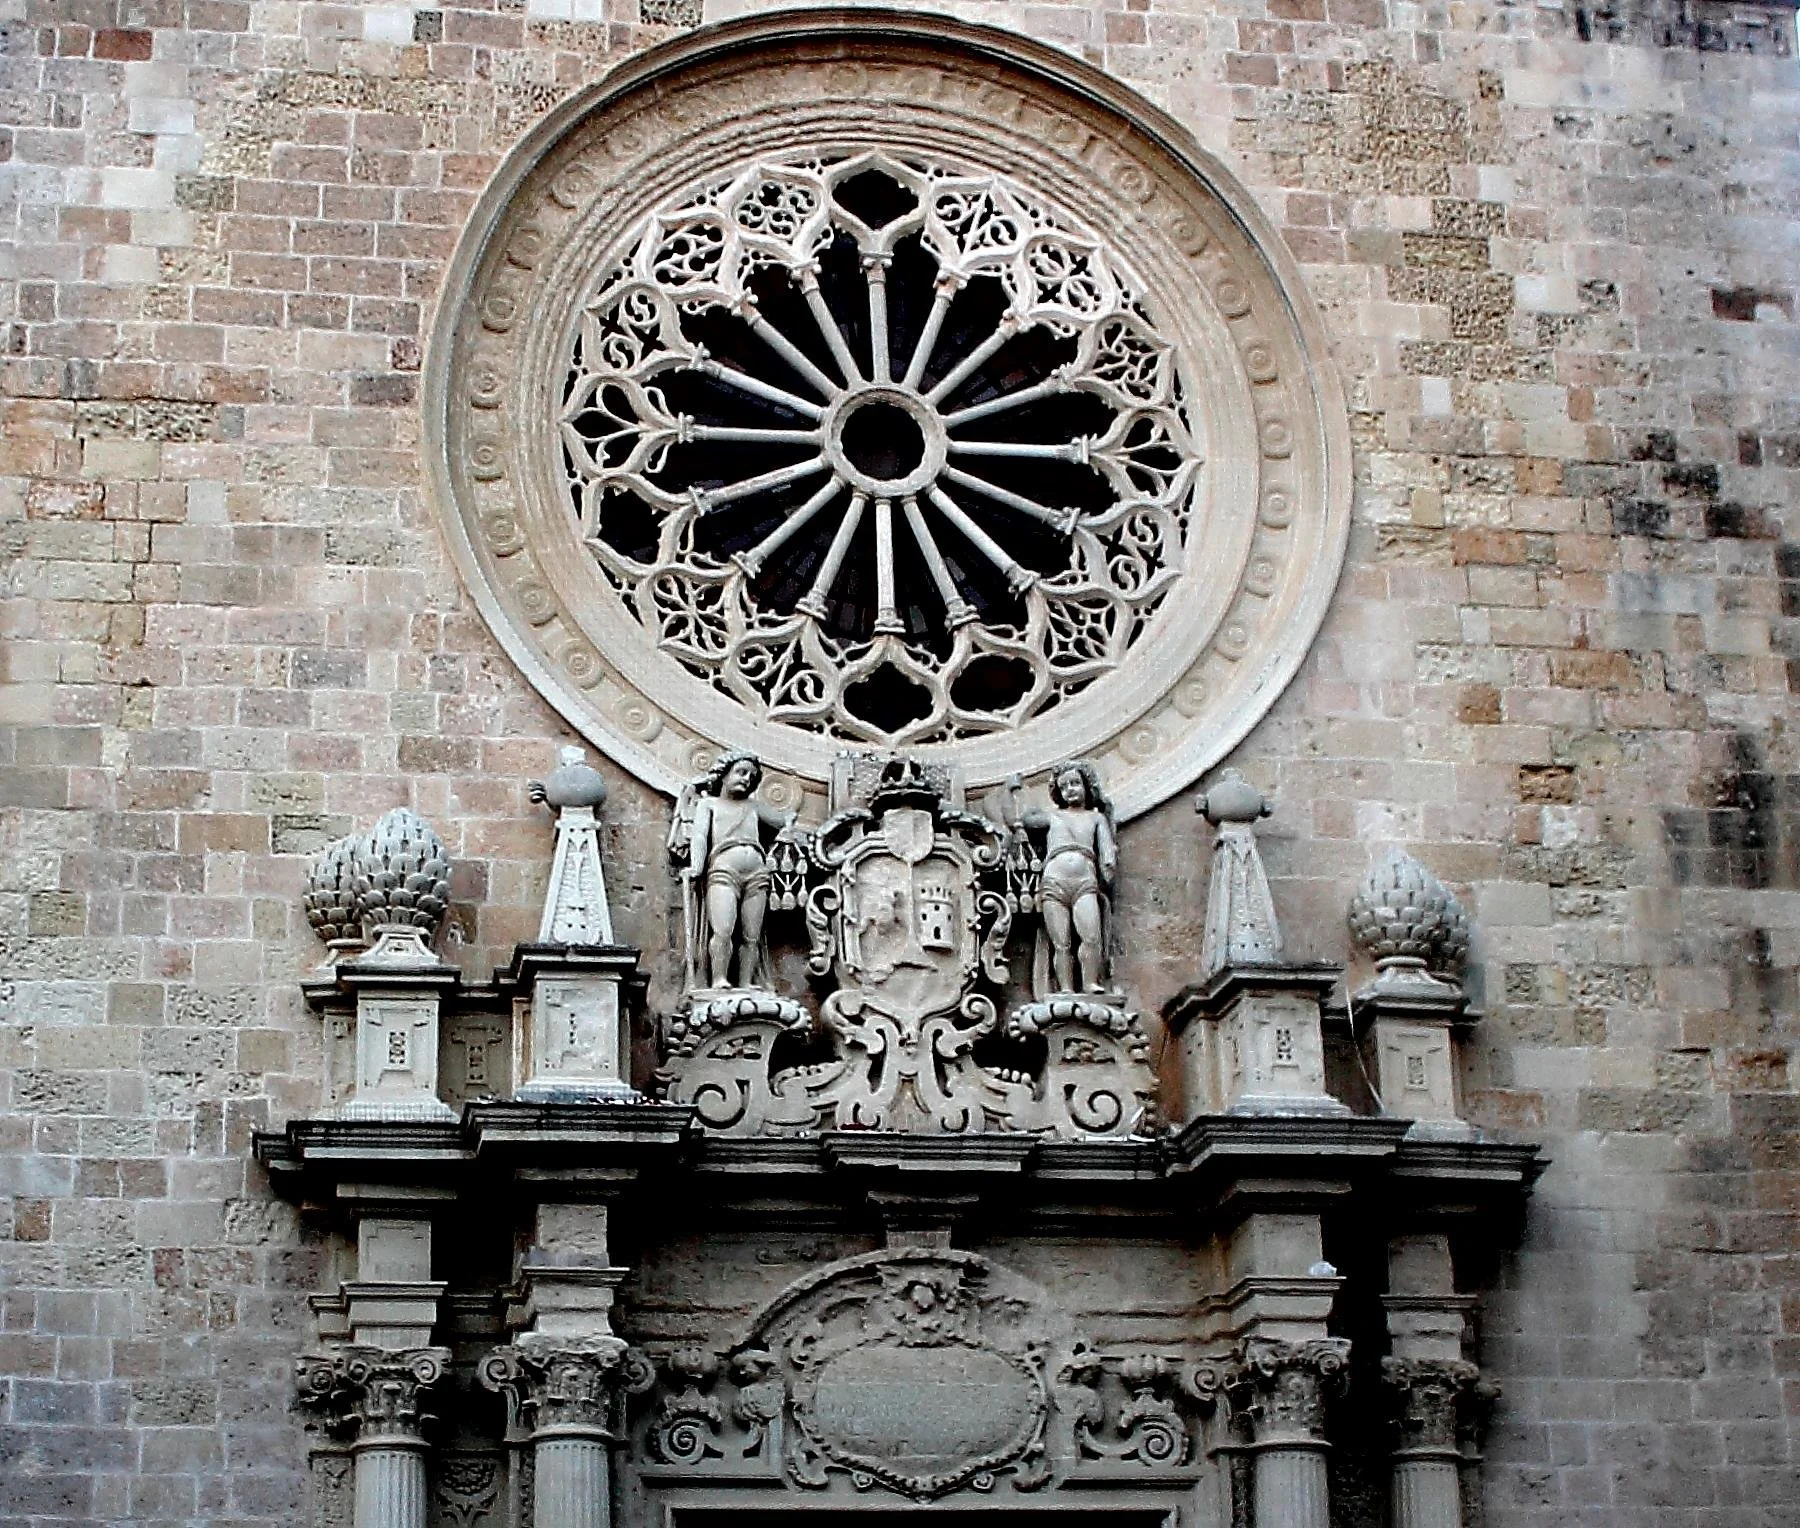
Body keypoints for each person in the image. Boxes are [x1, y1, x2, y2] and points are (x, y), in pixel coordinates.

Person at [668, 751, 792, 990]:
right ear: (723, 775)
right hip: (724, 869)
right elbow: (700, 837)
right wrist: (696, 866)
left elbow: (784, 820)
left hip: (757, 872)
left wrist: (789, 824)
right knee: (723, 929)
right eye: (740, 772)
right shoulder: (709, 804)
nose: (745, 778)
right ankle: (719, 979)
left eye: (751, 776)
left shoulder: (754, 807)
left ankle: (746, 982)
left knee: (752, 935)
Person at [1017, 760, 1116, 995]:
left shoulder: (1095, 818)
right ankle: (1066, 988)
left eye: (1075, 783)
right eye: (1064, 786)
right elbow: (1028, 821)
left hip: (1085, 881)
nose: (1071, 789)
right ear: (1058, 793)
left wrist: (1108, 865)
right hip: (1054, 881)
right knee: (1061, 943)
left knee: (1091, 936)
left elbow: (1107, 847)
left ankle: (1091, 982)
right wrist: (1020, 803)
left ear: (1086, 786)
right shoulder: (1051, 817)